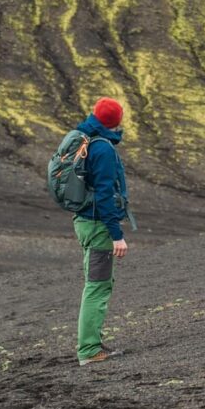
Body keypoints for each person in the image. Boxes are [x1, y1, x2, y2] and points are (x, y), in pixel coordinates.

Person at [73, 97, 131, 366]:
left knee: (95, 282)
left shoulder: (83, 139)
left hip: (84, 220)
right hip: (97, 225)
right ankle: (89, 350)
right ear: (116, 122)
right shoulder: (103, 149)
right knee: (97, 287)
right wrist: (116, 234)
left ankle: (93, 343)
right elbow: (105, 195)